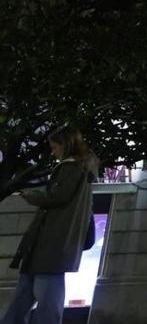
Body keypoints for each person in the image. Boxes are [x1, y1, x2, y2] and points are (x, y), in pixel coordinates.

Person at [2, 125, 98, 324]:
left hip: (52, 242)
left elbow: (57, 197)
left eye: (55, 147)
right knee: (28, 292)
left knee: (45, 298)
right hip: (54, 243)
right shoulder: (83, 168)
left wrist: (32, 196)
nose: (53, 151)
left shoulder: (71, 168)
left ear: (65, 145)